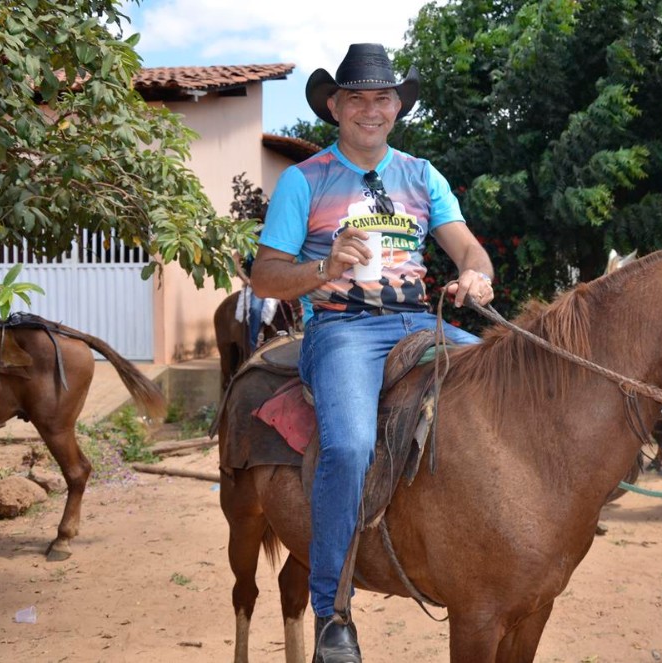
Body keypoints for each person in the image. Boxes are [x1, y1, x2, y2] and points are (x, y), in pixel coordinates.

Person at [250, 43, 494, 663]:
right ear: (335, 106)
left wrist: (476, 277)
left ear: (396, 107)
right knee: (351, 443)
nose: (370, 109)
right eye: (356, 97)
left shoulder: (421, 174)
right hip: (341, 329)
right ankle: (333, 612)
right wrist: (322, 267)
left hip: (419, 321)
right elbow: (266, 277)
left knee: (506, 378)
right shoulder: (302, 181)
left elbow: (468, 249)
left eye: (382, 97)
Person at [232, 249, 270, 351]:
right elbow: (234, 260)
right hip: (258, 285)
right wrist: (246, 279)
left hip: (277, 283)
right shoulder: (249, 241)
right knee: (255, 308)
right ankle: (254, 347)